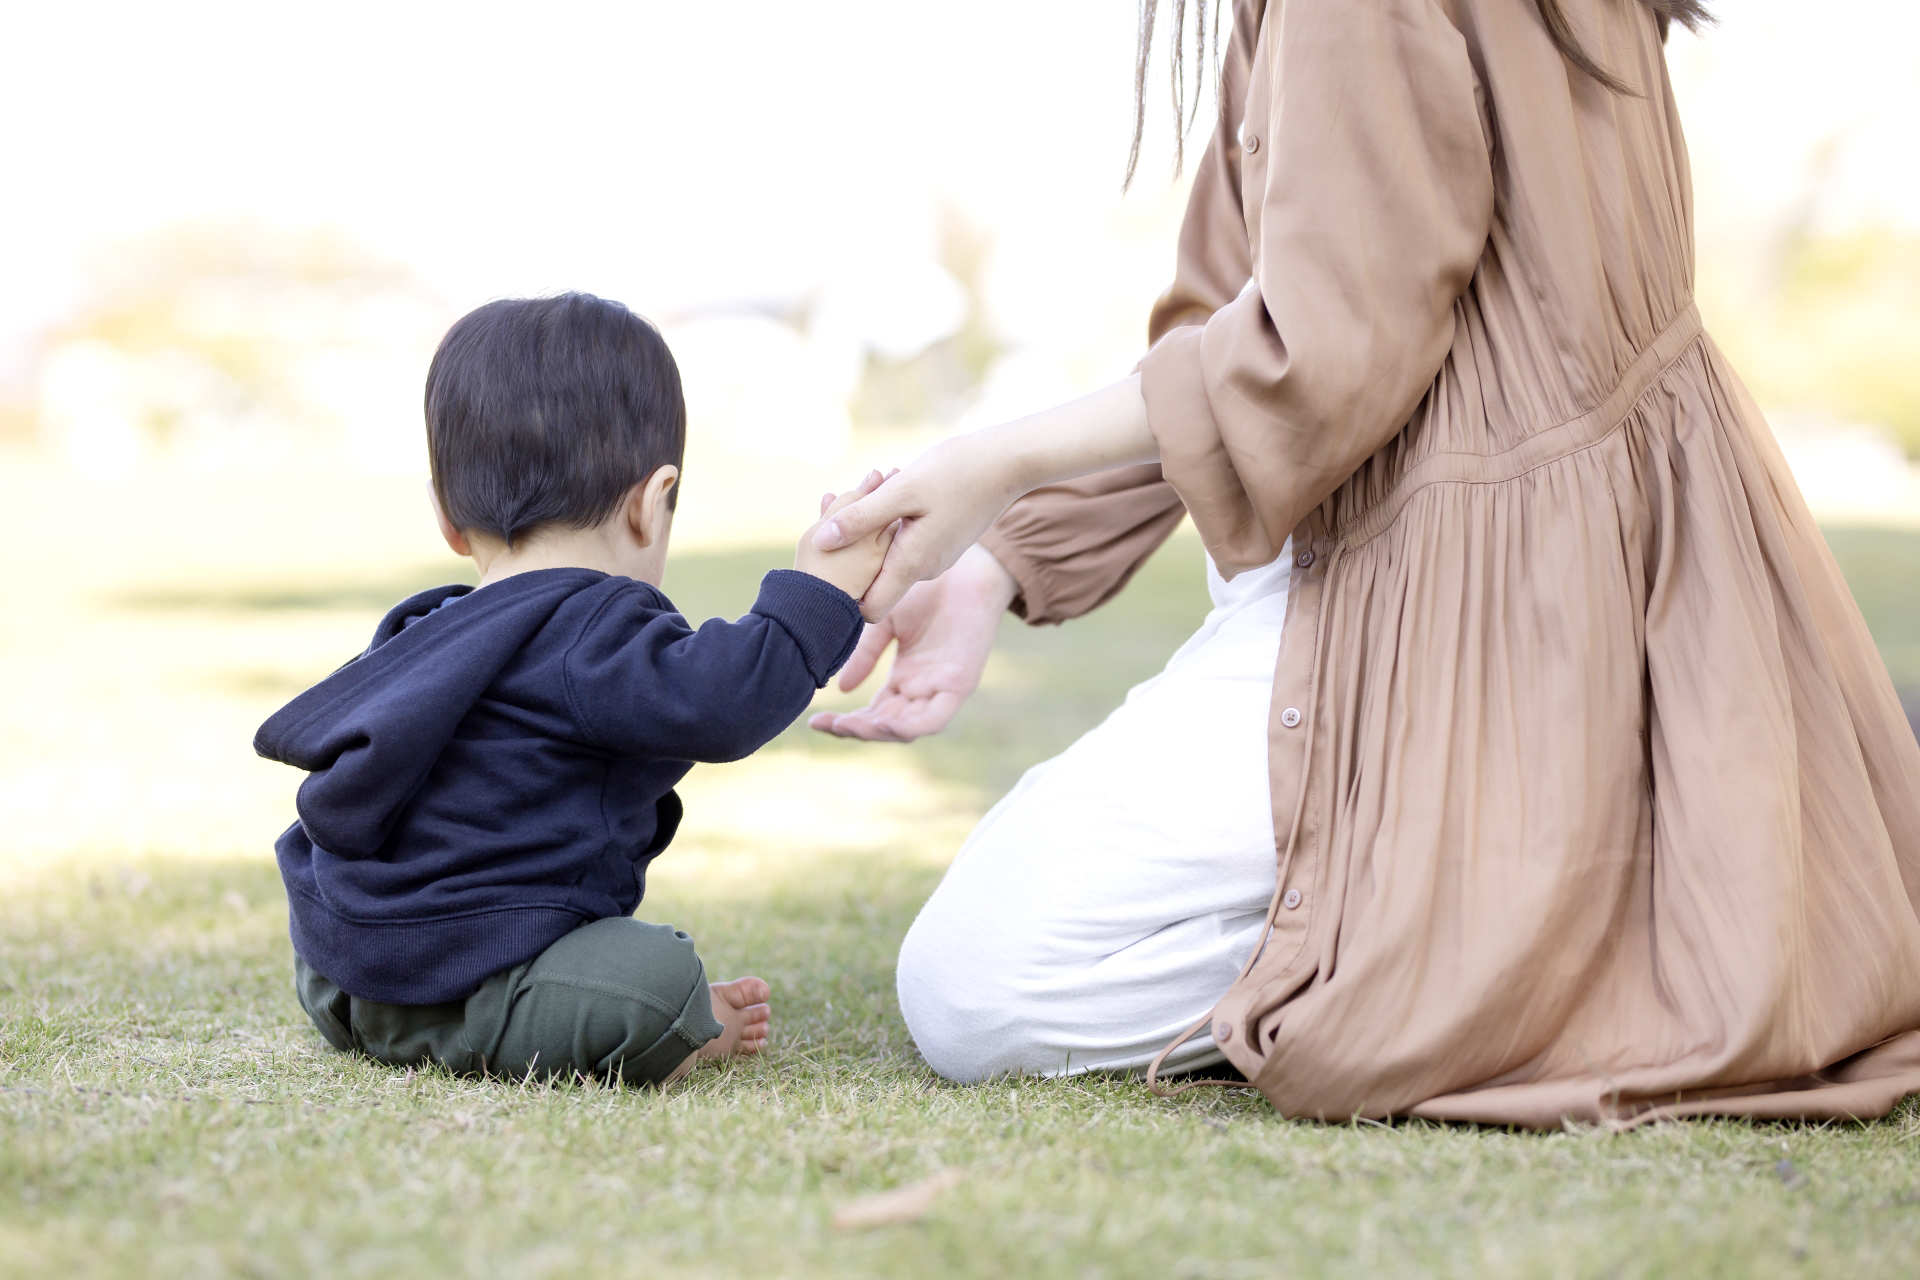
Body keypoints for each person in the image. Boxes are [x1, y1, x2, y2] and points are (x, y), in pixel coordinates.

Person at [810, 0, 1920, 1125]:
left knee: (979, 983)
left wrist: (988, 464)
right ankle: (1530, 883)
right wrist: (1003, 558)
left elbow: (1322, 348)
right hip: (1605, 565)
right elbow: (1237, 308)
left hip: (1487, 588)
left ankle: (1498, 917)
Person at [256, 293, 893, 1087]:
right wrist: (819, 590)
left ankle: (391, 1019)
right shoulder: (592, 624)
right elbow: (720, 702)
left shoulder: (429, 623)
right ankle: (512, 1028)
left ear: (448, 520)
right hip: (485, 975)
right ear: (650, 503)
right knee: (661, 979)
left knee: (611, 960)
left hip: (342, 976)